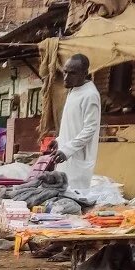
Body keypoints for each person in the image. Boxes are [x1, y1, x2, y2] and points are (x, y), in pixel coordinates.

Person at [52, 54, 101, 191]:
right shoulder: (73, 90)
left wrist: (67, 150)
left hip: (78, 160)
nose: (66, 77)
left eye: (72, 73)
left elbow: (90, 129)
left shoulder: (90, 94)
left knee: (75, 200)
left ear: (84, 74)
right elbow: (73, 125)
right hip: (66, 157)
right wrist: (59, 140)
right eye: (65, 72)